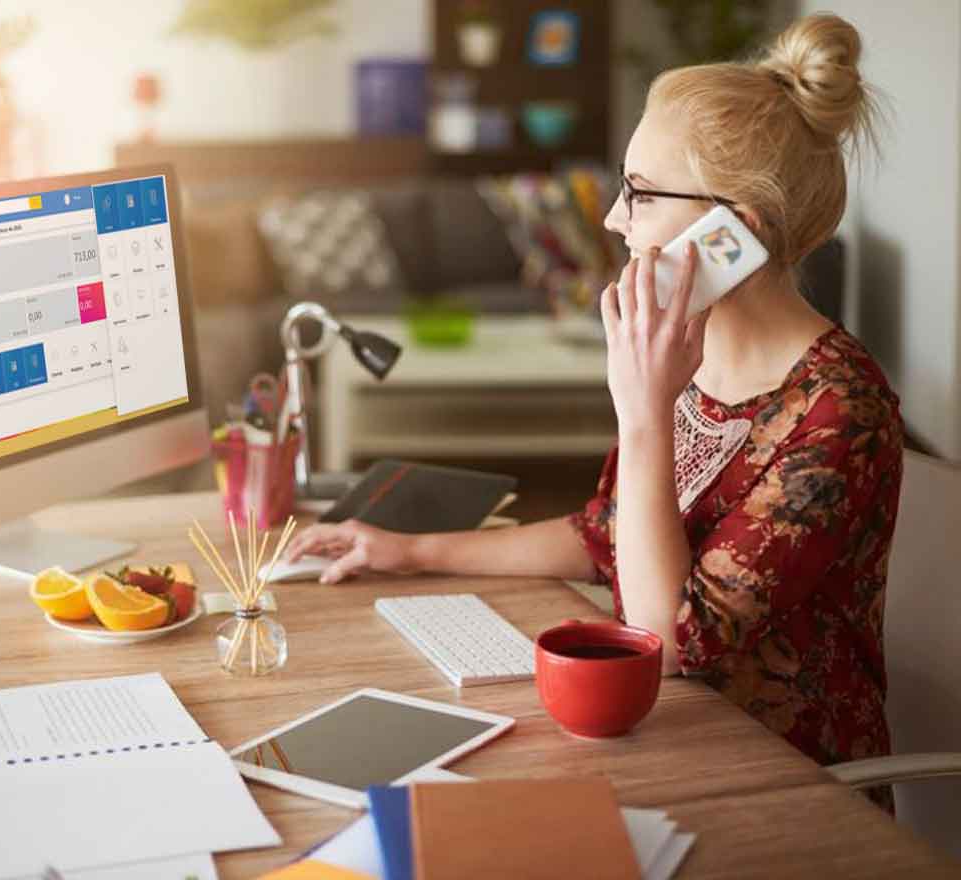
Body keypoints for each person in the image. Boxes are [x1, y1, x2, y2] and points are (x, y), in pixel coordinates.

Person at [284, 12, 902, 802]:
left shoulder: (841, 410)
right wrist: (404, 552)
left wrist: (644, 412)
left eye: (640, 195)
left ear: (733, 233)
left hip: (777, 786)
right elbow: (607, 534)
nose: (614, 220)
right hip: (657, 739)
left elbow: (671, 642)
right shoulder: (689, 351)